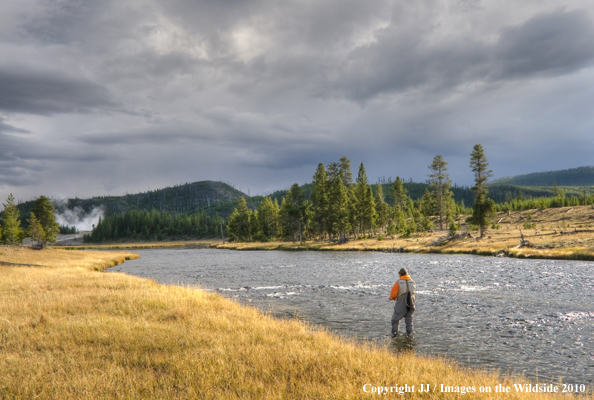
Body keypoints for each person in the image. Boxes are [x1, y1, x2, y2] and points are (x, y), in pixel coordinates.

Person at [389, 267, 416, 337]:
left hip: (401, 303)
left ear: (400, 274)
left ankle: (395, 335)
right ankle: (410, 334)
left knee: (395, 320)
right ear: (407, 274)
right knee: (409, 320)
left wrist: (392, 298)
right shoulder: (412, 282)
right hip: (411, 303)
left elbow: (393, 295)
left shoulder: (398, 282)